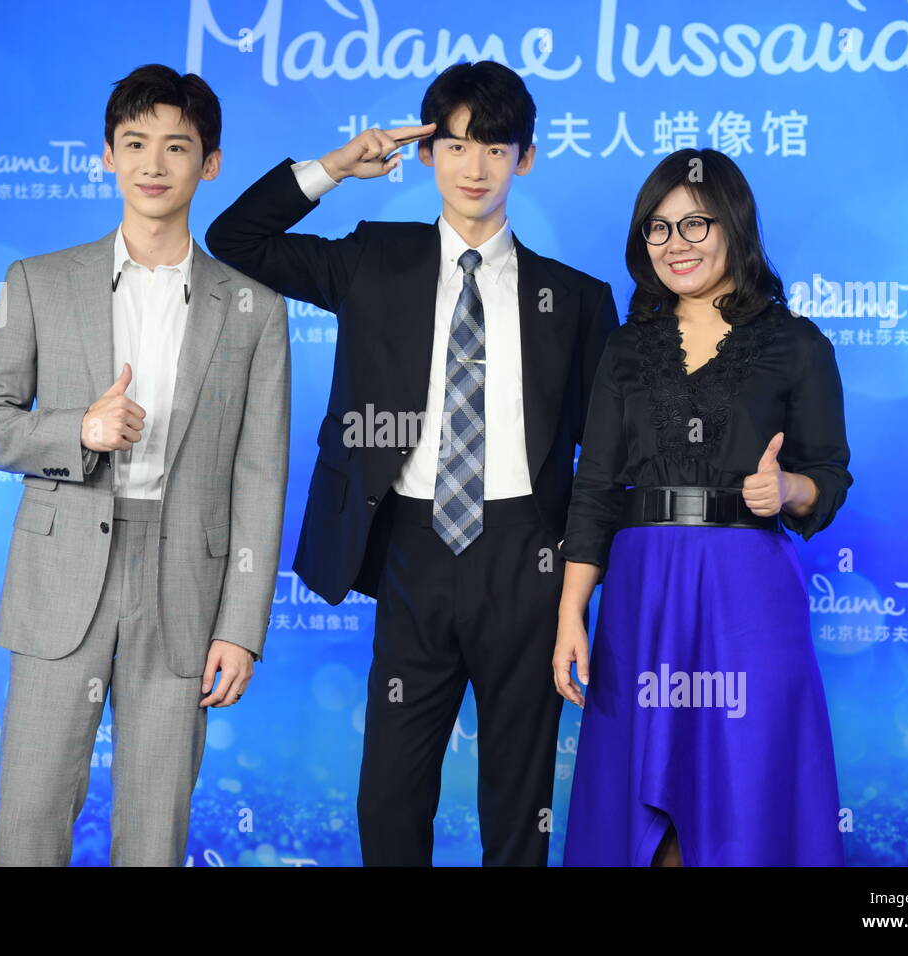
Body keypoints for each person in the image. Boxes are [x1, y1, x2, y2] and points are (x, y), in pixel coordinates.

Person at [206, 60, 616, 866]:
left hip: (526, 552)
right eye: (456, 144)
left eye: (495, 148)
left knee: (520, 790)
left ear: (525, 159)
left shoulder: (575, 298)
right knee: (391, 791)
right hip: (412, 543)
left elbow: (604, 458)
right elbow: (234, 239)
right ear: (427, 154)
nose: (474, 166)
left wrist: (578, 578)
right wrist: (332, 169)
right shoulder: (374, 259)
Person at [0, 64, 289, 866]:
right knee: (31, 817)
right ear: (107, 154)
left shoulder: (255, 309)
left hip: (185, 590)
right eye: (135, 143)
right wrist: (80, 429)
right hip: (62, 573)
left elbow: (260, 476)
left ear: (209, 163)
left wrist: (242, 627)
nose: (154, 163)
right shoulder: (38, 281)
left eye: (178, 147)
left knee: (154, 831)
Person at [553, 148, 850, 867]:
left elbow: (829, 477)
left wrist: (786, 492)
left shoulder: (796, 343)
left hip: (747, 591)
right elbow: (594, 486)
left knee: (742, 795)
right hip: (643, 594)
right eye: (659, 229)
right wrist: (570, 615)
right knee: (642, 814)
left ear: (735, 227)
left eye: (695, 225)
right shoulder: (626, 350)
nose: (676, 245)